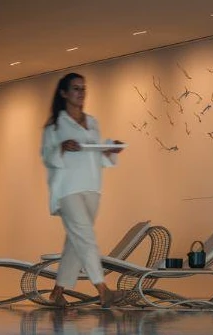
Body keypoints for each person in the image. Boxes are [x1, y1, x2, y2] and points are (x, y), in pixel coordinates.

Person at [40, 73, 124, 307]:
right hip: (67, 190)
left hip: (92, 188)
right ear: (64, 93)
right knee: (85, 237)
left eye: (83, 89)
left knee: (76, 242)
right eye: (76, 89)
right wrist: (62, 147)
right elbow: (47, 156)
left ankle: (57, 293)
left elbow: (97, 155)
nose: (81, 93)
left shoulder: (93, 122)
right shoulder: (54, 126)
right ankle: (103, 289)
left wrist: (109, 151)